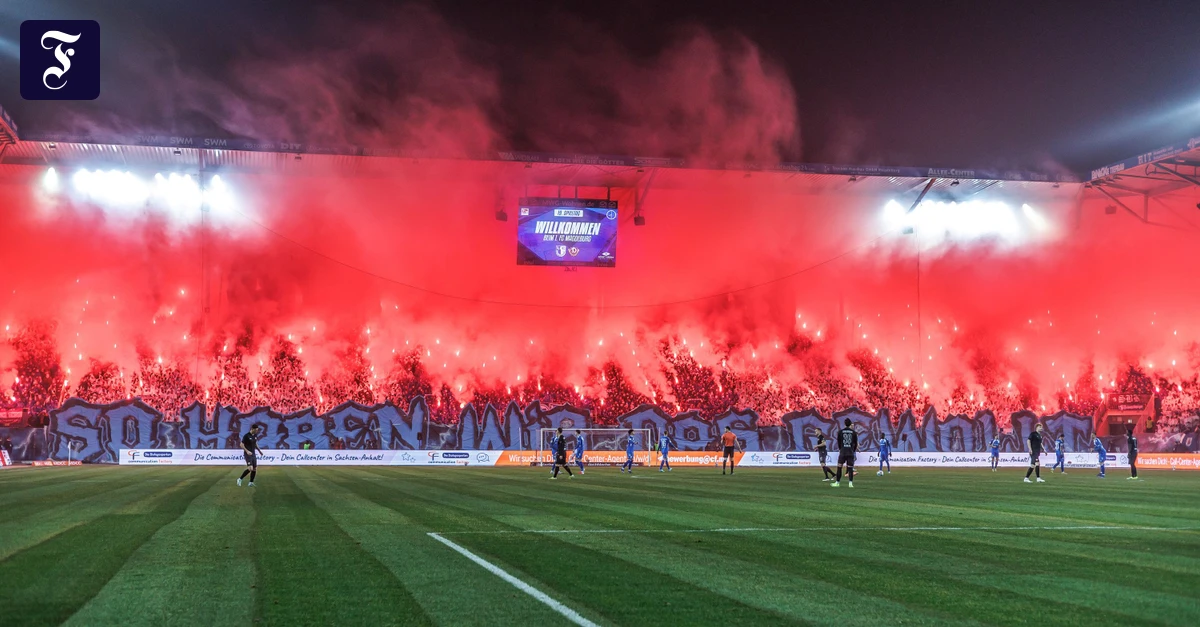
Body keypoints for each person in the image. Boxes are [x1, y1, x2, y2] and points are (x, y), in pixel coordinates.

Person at [831, 418, 858, 488]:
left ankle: (837, 482)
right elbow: (856, 443)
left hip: (843, 452)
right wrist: (853, 450)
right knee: (850, 468)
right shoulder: (853, 432)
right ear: (850, 424)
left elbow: (839, 442)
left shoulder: (840, 432)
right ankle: (850, 483)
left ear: (845, 424)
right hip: (850, 452)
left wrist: (841, 449)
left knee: (839, 467)